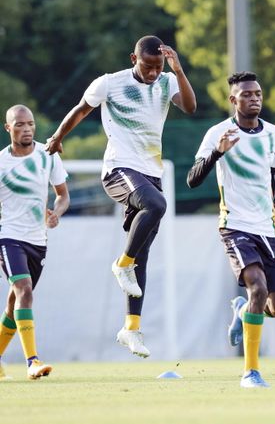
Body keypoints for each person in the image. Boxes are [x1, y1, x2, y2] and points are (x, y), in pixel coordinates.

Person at [45, 36, 196, 358]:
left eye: (158, 67)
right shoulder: (109, 84)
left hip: (150, 172)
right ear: (133, 59)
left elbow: (190, 106)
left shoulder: (167, 80)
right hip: (119, 170)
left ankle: (131, 328)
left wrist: (178, 70)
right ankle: (121, 264)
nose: (154, 73)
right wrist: (58, 137)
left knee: (142, 250)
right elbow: (81, 110)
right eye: (148, 66)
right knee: (157, 205)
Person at [187, 71, 275, 388]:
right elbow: (192, 179)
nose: (255, 98)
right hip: (234, 226)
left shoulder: (272, 133)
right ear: (233, 100)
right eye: (247, 94)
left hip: (266, 228)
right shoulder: (218, 132)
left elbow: (270, 174)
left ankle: (244, 311)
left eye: (258, 93)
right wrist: (218, 151)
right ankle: (251, 372)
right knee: (258, 288)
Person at [0, 105, 69, 380]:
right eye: (19, 124)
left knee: (14, 304)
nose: (26, 129)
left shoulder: (48, 155)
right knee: (25, 290)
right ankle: (33, 362)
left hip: (37, 241)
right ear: (8, 128)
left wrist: (56, 213)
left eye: (30, 124)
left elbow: (63, 196)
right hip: (8, 236)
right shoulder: (1, 163)